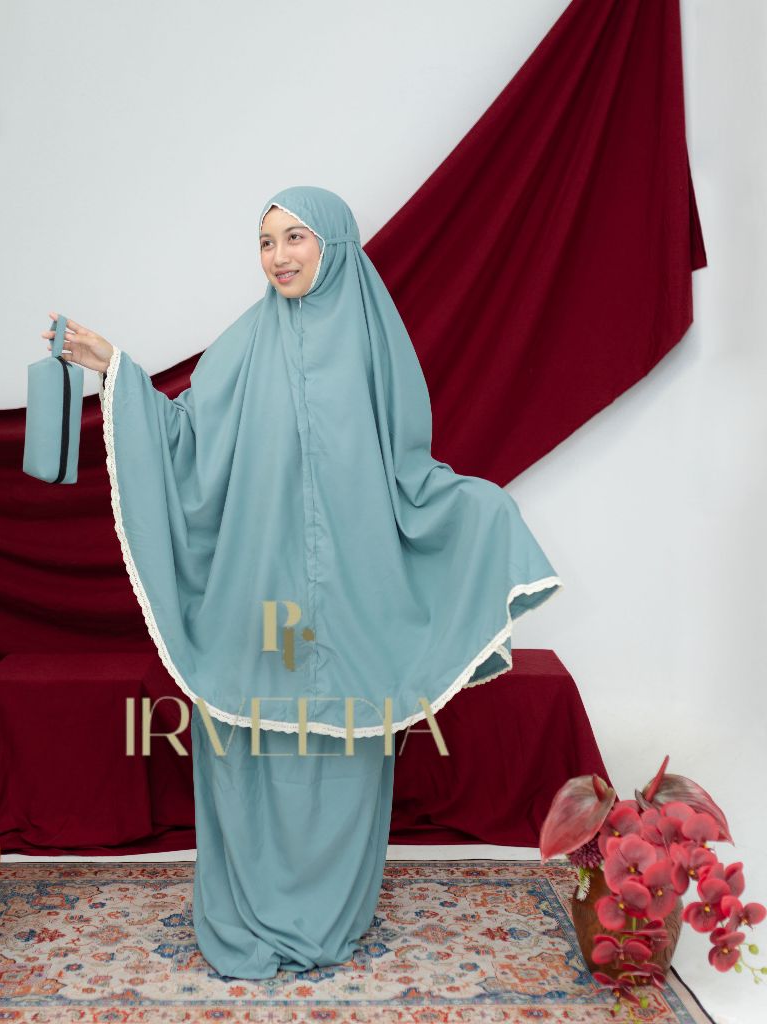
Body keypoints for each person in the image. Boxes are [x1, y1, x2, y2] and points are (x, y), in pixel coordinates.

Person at [41, 185, 564, 979]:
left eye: (295, 237)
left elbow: (409, 469)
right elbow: (186, 439)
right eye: (266, 242)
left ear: (335, 245)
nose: (278, 256)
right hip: (256, 592)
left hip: (354, 594)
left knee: (347, 746)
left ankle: (329, 915)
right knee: (250, 740)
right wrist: (116, 370)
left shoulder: (376, 342)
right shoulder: (243, 345)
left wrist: (480, 511)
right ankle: (249, 910)